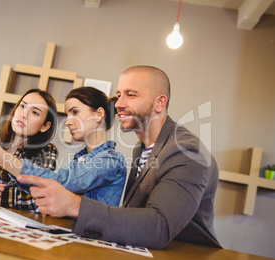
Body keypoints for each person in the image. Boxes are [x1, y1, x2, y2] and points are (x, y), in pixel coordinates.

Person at [16, 66, 222, 249]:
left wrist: (74, 205)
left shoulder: (187, 151)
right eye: (118, 95)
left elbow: (159, 227)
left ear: (160, 103)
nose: (118, 104)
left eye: (131, 95)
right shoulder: (141, 148)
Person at [0, 86, 127, 206]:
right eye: (68, 114)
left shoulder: (108, 160)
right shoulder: (80, 160)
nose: (67, 123)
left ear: (98, 115)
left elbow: (55, 184)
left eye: (75, 112)